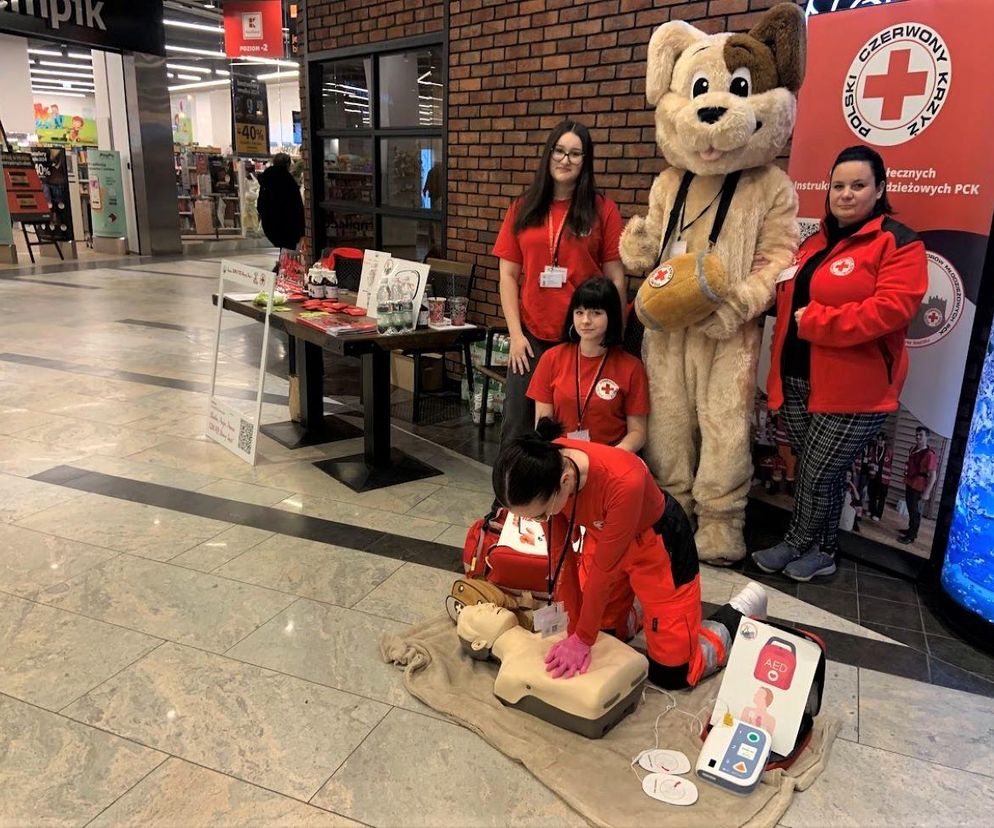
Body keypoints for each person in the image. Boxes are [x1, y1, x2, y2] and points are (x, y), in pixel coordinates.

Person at [753, 145, 928, 581]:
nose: (845, 194)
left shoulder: (898, 243)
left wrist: (818, 322)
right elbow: (786, 296)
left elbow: (891, 310)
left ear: (880, 189)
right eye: (838, 185)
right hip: (795, 380)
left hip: (855, 392)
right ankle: (825, 551)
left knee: (814, 473)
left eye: (858, 185)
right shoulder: (813, 243)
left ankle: (795, 543)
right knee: (819, 475)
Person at [491, 418, 768, 687]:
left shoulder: (624, 480)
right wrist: (574, 630)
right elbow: (561, 557)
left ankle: (739, 613)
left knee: (673, 672)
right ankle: (639, 609)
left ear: (565, 481)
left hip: (657, 544)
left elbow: (603, 571)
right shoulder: (548, 463)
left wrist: (582, 639)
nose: (539, 521)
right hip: (603, 537)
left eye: (539, 515)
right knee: (606, 637)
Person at [492, 120, 626, 452]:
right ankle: (508, 499)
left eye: (575, 154)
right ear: (549, 154)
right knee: (517, 425)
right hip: (531, 338)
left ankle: (561, 500)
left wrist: (613, 337)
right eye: (559, 151)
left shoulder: (602, 210)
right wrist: (516, 335)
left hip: (583, 338)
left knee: (570, 427)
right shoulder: (522, 208)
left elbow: (617, 278)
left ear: (586, 161)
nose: (565, 160)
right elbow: (507, 276)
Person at [528, 277, 649, 452]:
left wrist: (612, 457)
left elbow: (637, 433)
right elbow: (543, 424)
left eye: (596, 313)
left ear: (612, 316)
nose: (585, 320)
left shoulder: (632, 368)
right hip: (561, 457)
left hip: (609, 458)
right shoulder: (551, 358)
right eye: (579, 312)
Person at [257, 153, 305, 256]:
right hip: (287, 224)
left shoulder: (266, 179)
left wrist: (263, 215)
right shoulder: (288, 181)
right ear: (287, 164)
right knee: (288, 252)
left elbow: (260, 202)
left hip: (270, 223)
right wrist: (302, 230)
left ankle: (282, 266)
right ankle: (285, 267)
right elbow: (296, 206)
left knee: (283, 249)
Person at [900, 426, 938, 544]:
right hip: (910, 482)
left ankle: (911, 536)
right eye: (916, 434)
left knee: (915, 511)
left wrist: (927, 492)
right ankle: (911, 530)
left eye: (921, 435)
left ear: (927, 437)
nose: (917, 437)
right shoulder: (913, 449)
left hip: (919, 485)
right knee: (910, 509)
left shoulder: (930, 455)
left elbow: (933, 475)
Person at [865, 431, 893, 521]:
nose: (880, 442)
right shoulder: (873, 449)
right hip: (873, 475)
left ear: (885, 441)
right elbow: (869, 461)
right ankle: (871, 510)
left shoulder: (889, 451)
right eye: (879, 440)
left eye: (882, 440)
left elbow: (889, 465)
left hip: (884, 478)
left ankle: (878, 514)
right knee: (872, 494)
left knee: (881, 497)